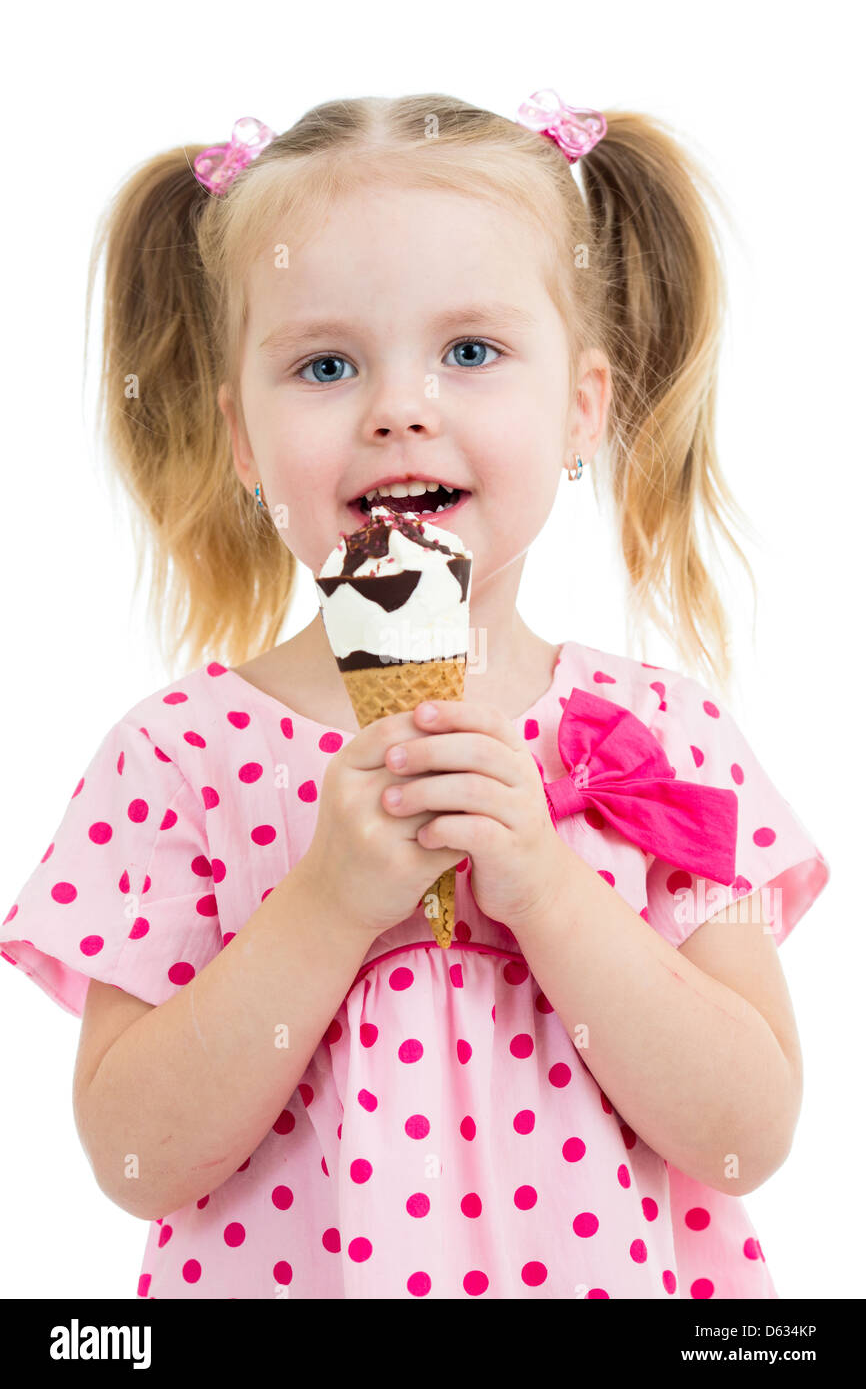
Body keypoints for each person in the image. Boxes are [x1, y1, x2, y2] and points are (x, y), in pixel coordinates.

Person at [0, 91, 830, 1299]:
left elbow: (746, 1131)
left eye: (471, 352)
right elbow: (136, 1155)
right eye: (325, 365)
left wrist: (547, 887)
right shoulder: (178, 754)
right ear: (242, 438)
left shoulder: (664, 736)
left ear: (579, 408)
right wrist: (327, 905)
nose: (399, 408)